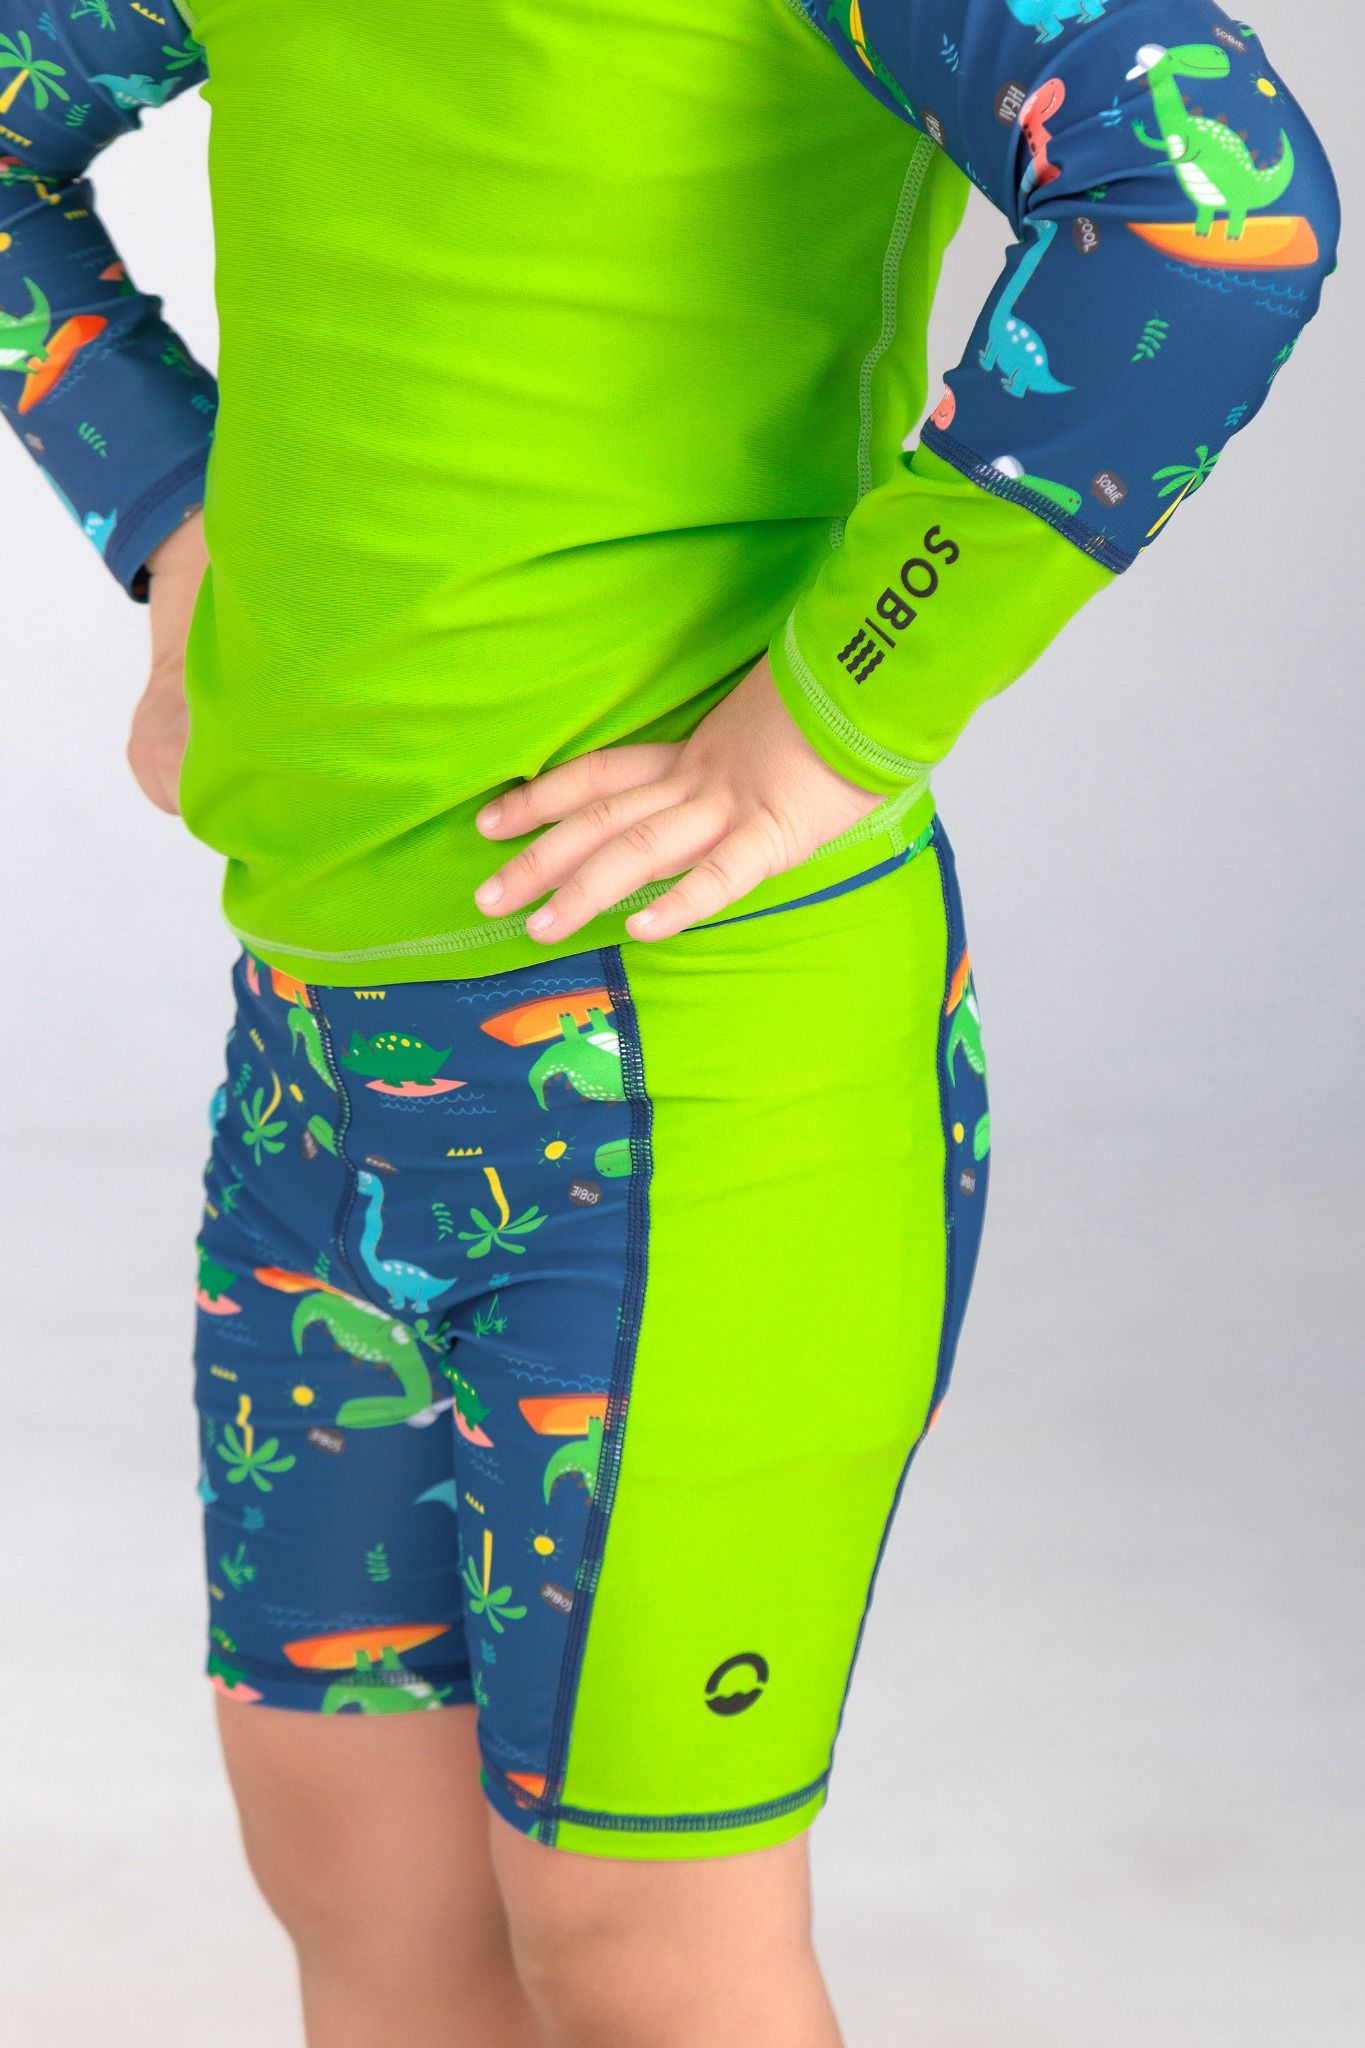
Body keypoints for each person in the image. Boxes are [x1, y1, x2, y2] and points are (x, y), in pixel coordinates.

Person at [2, 2, 1339, 2042]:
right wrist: (175, 511)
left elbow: (1209, 196)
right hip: (310, 1073)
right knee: (359, 1884)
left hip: (697, 1082)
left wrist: (838, 702)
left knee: (646, 1961)